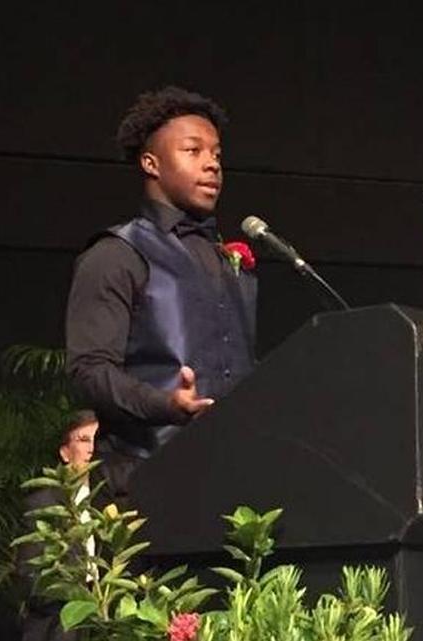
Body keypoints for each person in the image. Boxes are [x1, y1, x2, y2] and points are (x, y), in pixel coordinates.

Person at [65, 86, 256, 498]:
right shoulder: (116, 253)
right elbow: (89, 371)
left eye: (217, 154)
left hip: (228, 478)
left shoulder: (224, 258)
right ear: (151, 163)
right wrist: (165, 404)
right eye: (193, 150)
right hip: (141, 479)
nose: (212, 164)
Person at [17, 410, 100, 641]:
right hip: (58, 628)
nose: (92, 449)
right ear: (65, 452)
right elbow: (31, 580)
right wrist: (79, 595)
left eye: (97, 440)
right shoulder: (43, 504)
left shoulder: (112, 502)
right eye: (83, 440)